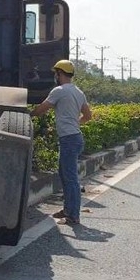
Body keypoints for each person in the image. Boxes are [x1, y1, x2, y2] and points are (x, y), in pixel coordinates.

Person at [30, 59, 92, 225]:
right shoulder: (78, 92)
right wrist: (74, 123)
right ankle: (67, 210)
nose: (55, 76)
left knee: (71, 178)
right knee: (65, 174)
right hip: (75, 137)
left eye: (56, 73)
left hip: (69, 140)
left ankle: (73, 215)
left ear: (59, 73)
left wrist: (28, 114)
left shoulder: (59, 90)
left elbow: (42, 109)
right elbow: (88, 116)